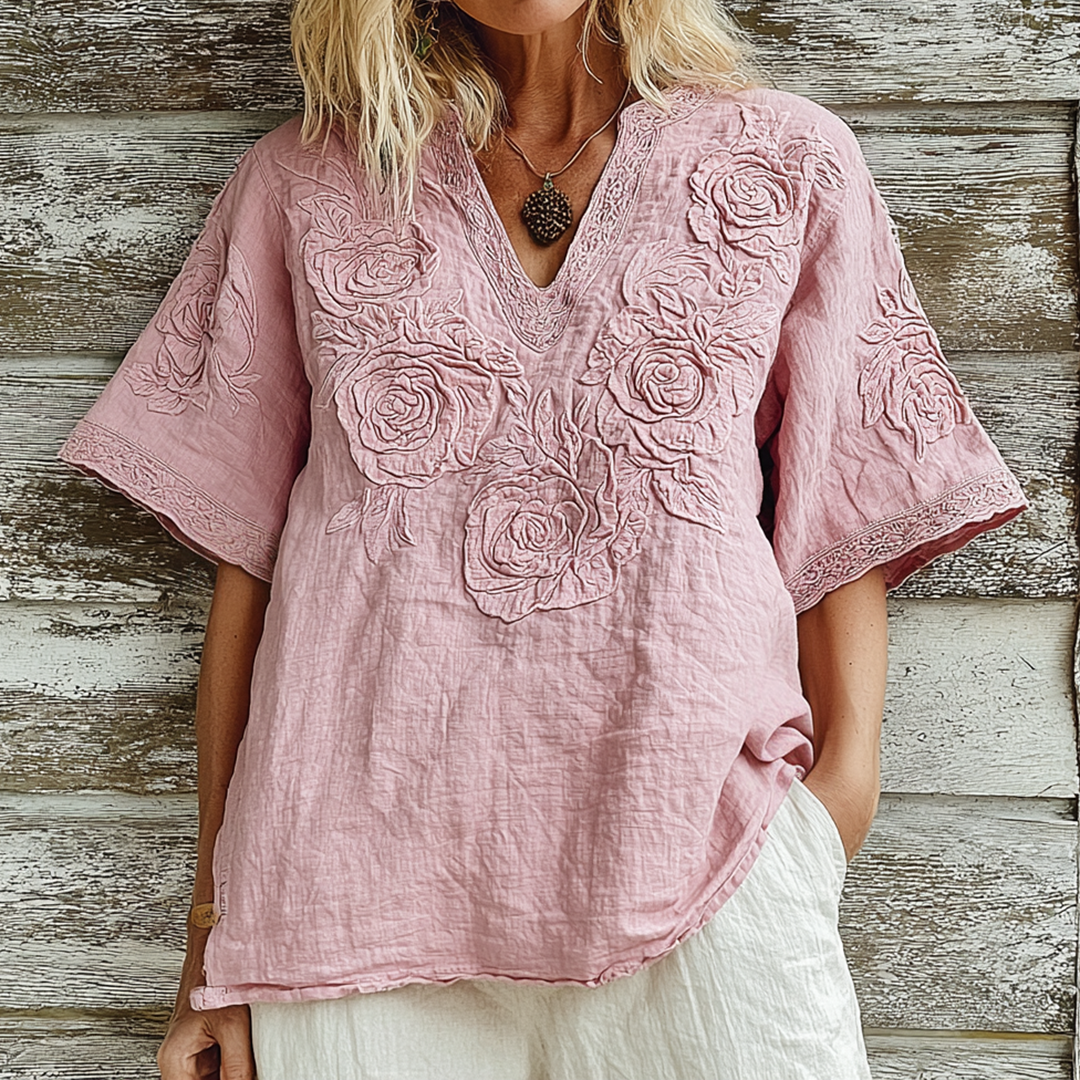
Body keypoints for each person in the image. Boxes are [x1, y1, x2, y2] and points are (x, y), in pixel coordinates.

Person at [56, 1, 1029, 1077]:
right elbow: (249, 562)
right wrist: (211, 943)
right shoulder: (304, 181)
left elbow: (848, 505)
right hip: (348, 908)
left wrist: (833, 807)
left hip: (708, 875)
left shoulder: (786, 162)